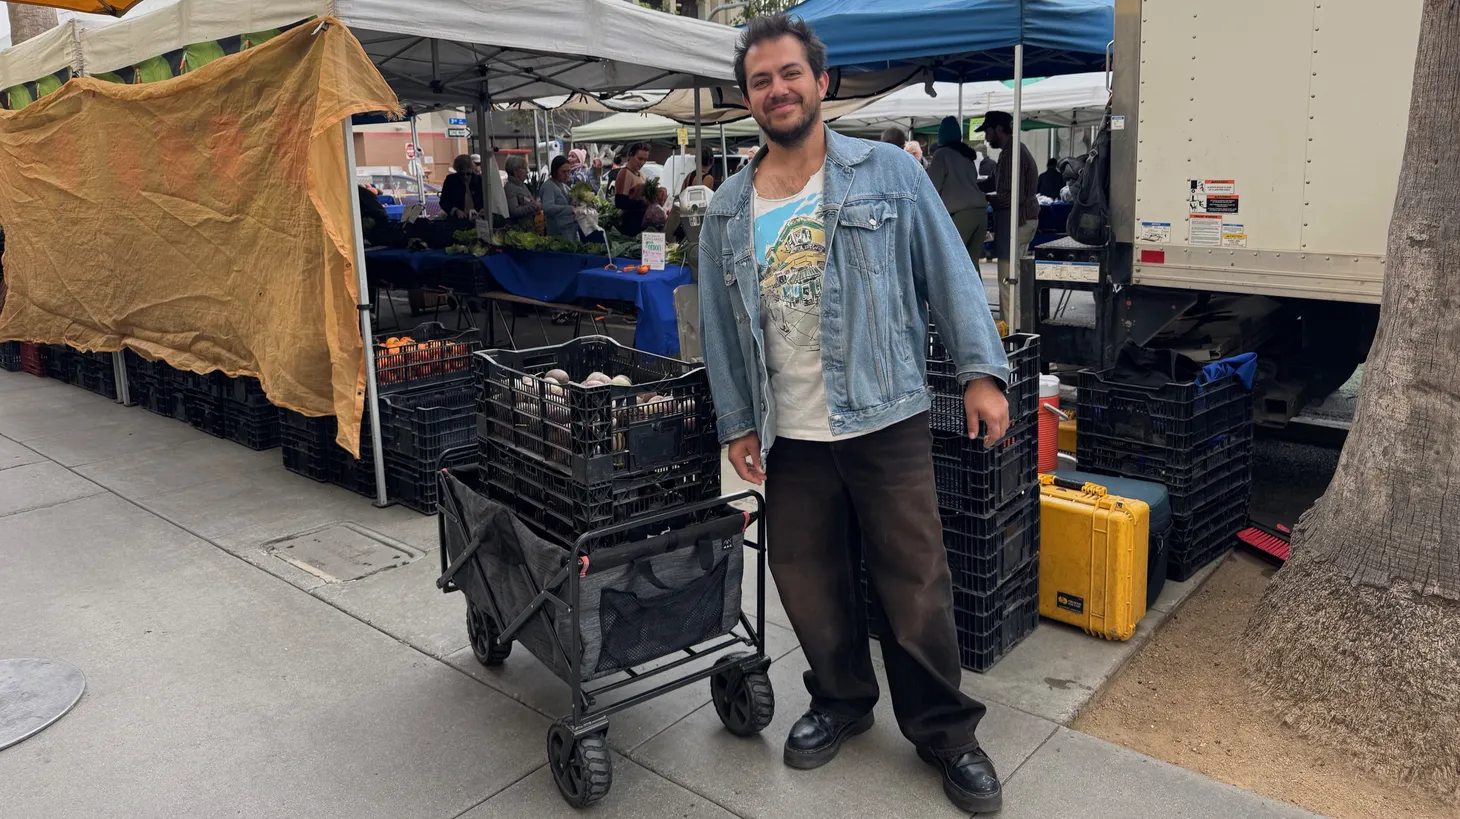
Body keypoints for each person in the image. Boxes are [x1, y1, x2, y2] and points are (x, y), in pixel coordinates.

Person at [698, 14, 1011, 815]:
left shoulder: (888, 175)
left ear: (821, 82)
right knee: (807, 579)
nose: (779, 89)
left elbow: (949, 271)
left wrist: (982, 372)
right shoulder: (729, 209)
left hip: (886, 413)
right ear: (749, 98)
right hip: (787, 432)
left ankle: (945, 730)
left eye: (790, 74)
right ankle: (840, 699)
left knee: (916, 581)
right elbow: (718, 326)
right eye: (762, 80)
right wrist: (735, 421)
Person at [976, 111, 1039, 321]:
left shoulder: (1013, 154)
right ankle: (1016, 324)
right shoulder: (1009, 152)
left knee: (1007, 277)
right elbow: (995, 181)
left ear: (999, 129)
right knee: (1014, 277)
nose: (985, 137)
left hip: (1017, 222)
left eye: (987, 131)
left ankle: (1011, 329)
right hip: (1022, 219)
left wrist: (982, 199)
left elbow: (1011, 197)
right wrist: (971, 184)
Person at [926, 116, 989, 274]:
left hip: (960, 213)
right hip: (980, 212)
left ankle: (953, 299)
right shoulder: (967, 155)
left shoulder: (942, 154)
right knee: (972, 264)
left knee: (952, 262)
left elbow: (932, 187)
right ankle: (978, 298)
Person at [614, 142, 651, 236]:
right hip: (630, 222)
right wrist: (641, 203)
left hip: (641, 221)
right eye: (640, 159)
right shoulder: (625, 173)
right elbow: (620, 202)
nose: (642, 162)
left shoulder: (641, 174)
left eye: (645, 160)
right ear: (631, 156)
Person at [540, 155, 578, 241]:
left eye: (568, 171)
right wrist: (570, 209)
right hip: (558, 234)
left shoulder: (564, 185)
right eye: (564, 172)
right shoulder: (548, 186)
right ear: (555, 171)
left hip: (571, 231)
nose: (567, 175)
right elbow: (548, 208)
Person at [439, 154, 485, 219]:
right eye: (462, 174)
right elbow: (444, 202)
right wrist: (455, 210)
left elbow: (486, 199)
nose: (465, 177)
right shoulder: (451, 180)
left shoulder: (479, 180)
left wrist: (483, 209)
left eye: (468, 174)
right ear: (457, 171)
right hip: (457, 219)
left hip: (478, 217)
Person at [502, 155, 541, 230]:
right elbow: (514, 211)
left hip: (528, 227)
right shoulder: (510, 187)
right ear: (515, 171)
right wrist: (534, 206)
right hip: (518, 230)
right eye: (524, 168)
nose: (527, 171)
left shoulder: (522, 185)